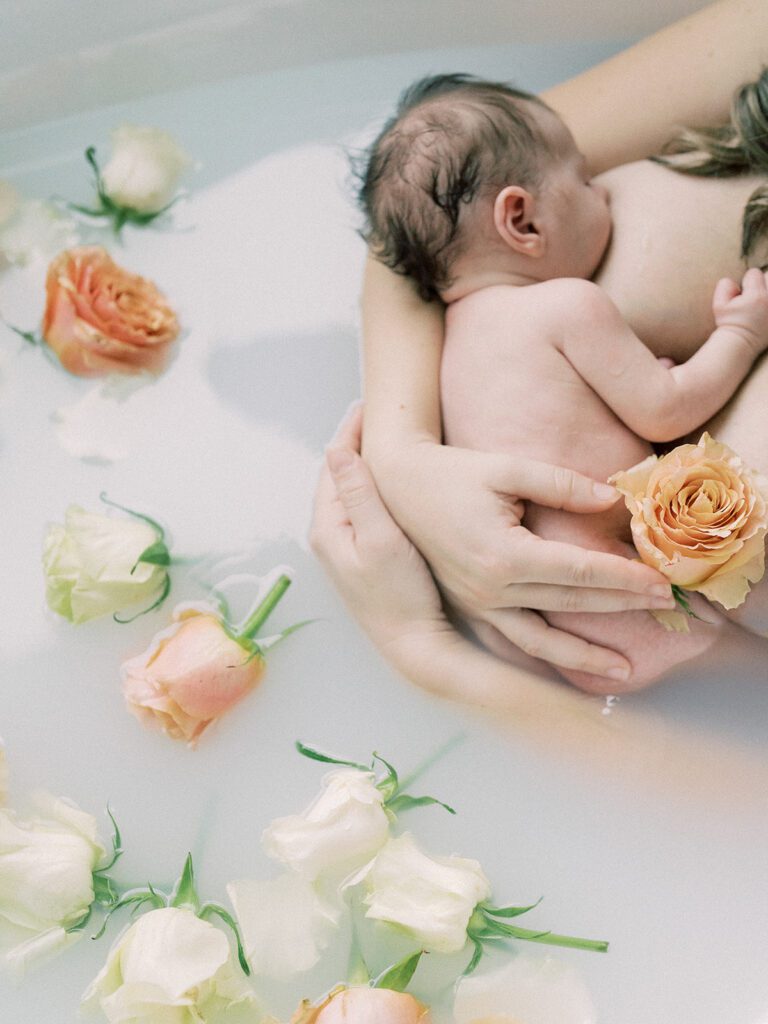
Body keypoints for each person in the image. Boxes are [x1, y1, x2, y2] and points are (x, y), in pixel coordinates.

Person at [337, 0, 768, 693]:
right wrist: (740, 336)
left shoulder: (452, 350)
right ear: (522, 219)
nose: (601, 188)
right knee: (720, 677)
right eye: (585, 180)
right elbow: (666, 412)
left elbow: (401, 234)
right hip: (614, 587)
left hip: (543, 614)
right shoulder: (566, 303)